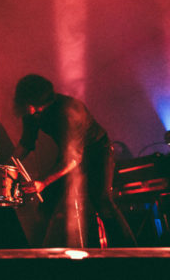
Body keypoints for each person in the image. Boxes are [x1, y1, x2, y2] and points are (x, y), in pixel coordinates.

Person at [12, 74, 135, 247]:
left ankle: (130, 251)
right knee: (46, 202)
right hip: (69, 154)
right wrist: (10, 164)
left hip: (97, 151)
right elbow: (26, 142)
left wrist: (43, 182)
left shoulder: (68, 112)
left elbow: (73, 159)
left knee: (101, 200)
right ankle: (33, 254)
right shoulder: (32, 114)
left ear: (35, 101)